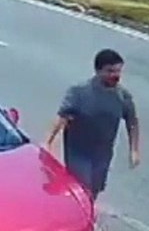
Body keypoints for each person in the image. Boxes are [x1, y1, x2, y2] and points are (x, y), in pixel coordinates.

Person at [43, 48, 140, 201]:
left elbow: (132, 122)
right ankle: (78, 218)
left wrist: (134, 150)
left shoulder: (123, 97)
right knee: (82, 189)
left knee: (94, 189)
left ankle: (84, 213)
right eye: (110, 71)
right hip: (78, 152)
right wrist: (48, 142)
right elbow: (62, 117)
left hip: (103, 154)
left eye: (118, 71)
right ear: (98, 71)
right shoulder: (79, 92)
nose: (116, 76)